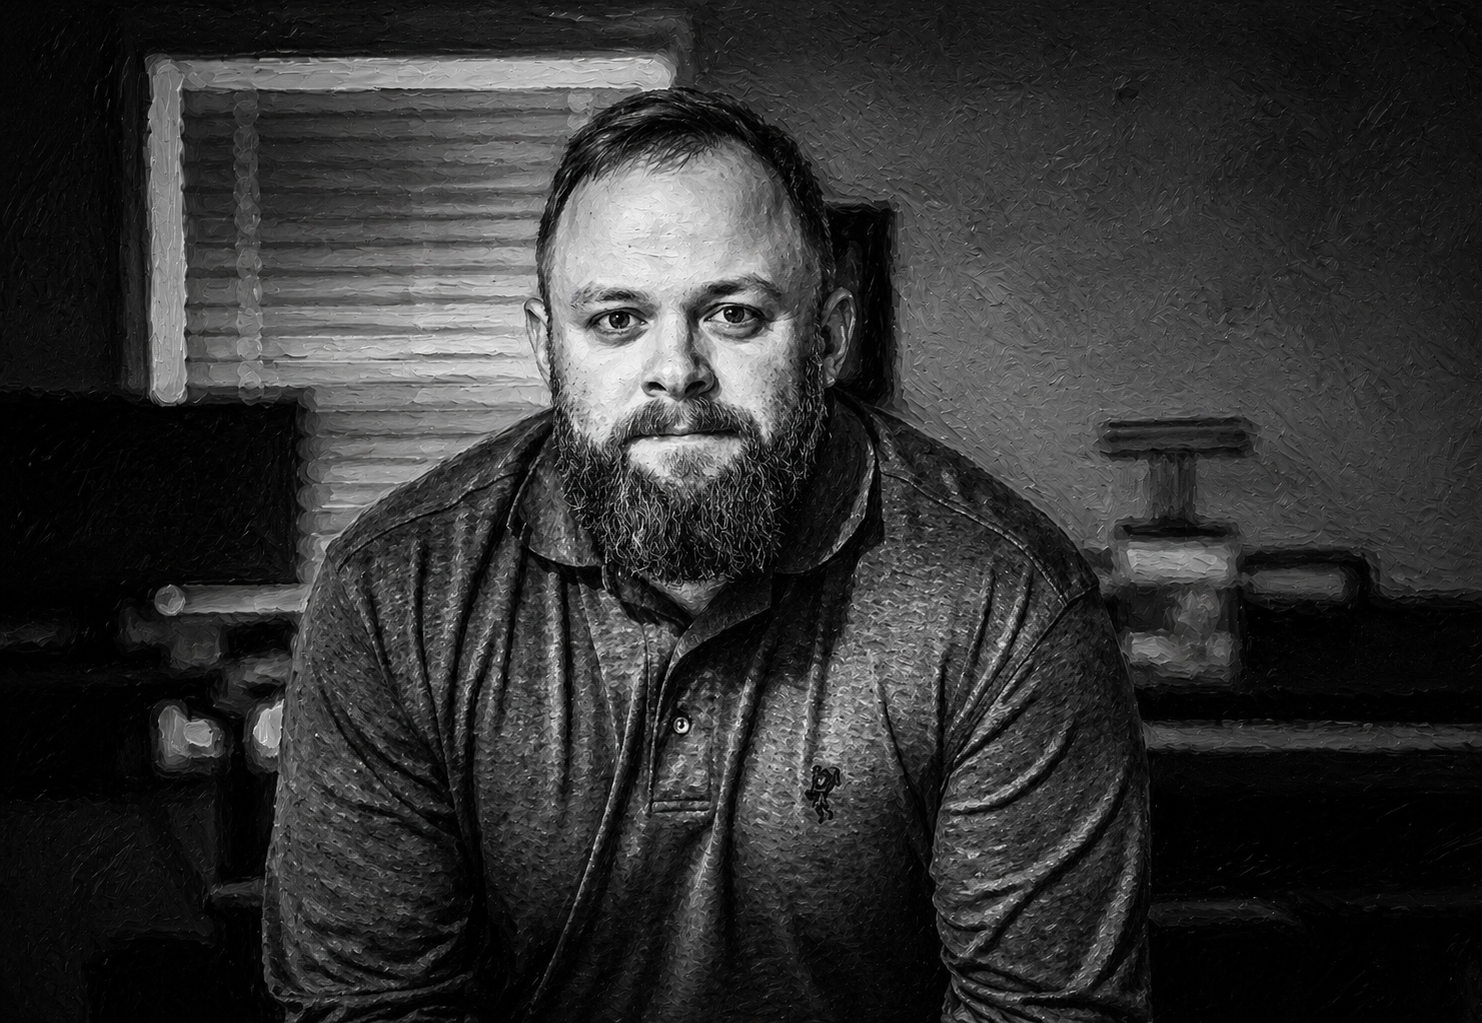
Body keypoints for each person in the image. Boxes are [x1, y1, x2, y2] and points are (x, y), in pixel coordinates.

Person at [264, 87, 1150, 1023]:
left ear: (830, 338)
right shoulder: (395, 595)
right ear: (545, 347)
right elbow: (366, 1007)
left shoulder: (1006, 597)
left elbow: (1045, 1014)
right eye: (616, 320)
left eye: (732, 314)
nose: (676, 369)